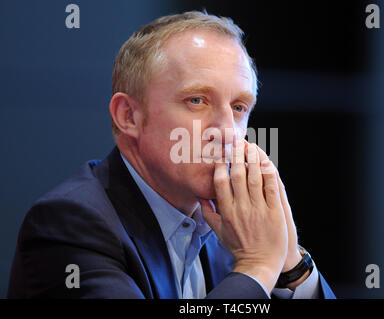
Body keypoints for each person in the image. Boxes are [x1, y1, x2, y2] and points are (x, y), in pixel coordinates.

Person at [7, 11, 335, 299]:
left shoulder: (235, 227)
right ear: (128, 116)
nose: (226, 131)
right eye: (197, 100)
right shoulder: (68, 224)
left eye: (238, 108)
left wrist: (289, 264)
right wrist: (257, 265)